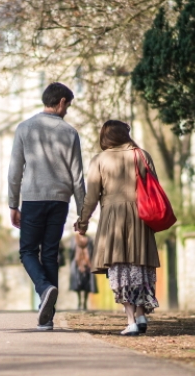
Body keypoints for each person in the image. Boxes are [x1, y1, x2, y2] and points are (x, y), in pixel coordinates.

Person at [7, 82, 86, 331]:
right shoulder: (70, 133)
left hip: (32, 198)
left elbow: (14, 171)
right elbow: (77, 177)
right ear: (61, 102)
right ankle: (47, 317)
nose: (67, 111)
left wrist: (12, 203)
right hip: (59, 200)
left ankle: (44, 289)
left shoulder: (24, 128)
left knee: (28, 251)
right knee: (50, 253)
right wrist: (83, 212)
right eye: (68, 106)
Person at [75, 120, 161, 336]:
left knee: (120, 268)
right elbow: (155, 186)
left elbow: (92, 196)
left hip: (114, 219)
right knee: (140, 265)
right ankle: (141, 315)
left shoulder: (100, 160)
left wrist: (83, 221)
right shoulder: (142, 155)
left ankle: (131, 320)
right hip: (141, 217)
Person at [68, 233, 98, 310]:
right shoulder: (74, 239)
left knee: (87, 284)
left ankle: (84, 302)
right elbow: (71, 252)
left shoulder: (89, 239)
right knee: (78, 284)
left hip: (87, 264)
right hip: (77, 265)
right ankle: (79, 302)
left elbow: (92, 252)